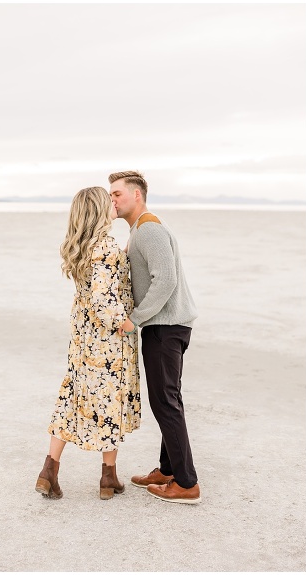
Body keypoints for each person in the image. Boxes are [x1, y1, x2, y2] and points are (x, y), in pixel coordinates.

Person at [36, 186, 141, 501]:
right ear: (97, 210)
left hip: (82, 338)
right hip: (107, 341)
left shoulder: (83, 246)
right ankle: (107, 478)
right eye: (108, 200)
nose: (114, 203)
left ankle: (49, 470)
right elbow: (103, 300)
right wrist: (126, 322)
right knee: (110, 400)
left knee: (72, 396)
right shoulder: (107, 246)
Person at [108, 170, 201, 504]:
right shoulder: (143, 229)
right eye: (110, 194)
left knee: (165, 402)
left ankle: (187, 484)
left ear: (137, 195)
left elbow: (166, 280)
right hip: (168, 325)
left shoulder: (148, 230)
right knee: (168, 399)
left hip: (165, 327)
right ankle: (167, 469)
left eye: (117, 193)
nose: (112, 200)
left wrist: (134, 319)